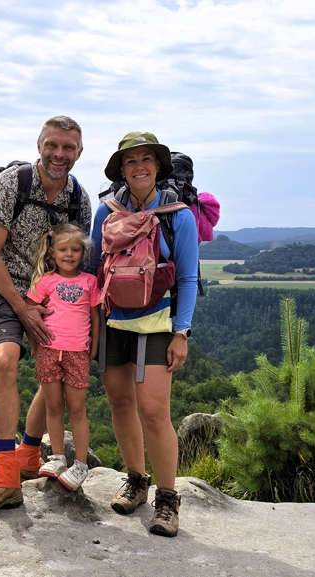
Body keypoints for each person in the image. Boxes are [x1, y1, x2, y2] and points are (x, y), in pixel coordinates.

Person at [0, 116, 93, 516]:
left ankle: (29, 453)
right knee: (5, 359)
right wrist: (24, 309)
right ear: (40, 145)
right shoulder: (12, 184)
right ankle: (3, 475)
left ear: (79, 152)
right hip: (6, 290)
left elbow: (74, 261)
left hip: (52, 293)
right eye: (52, 145)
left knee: (53, 369)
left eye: (68, 148)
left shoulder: (78, 199)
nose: (59, 154)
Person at [89, 131, 199, 537]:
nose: (139, 166)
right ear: (121, 168)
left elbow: (187, 279)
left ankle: (167, 499)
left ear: (157, 166)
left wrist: (181, 333)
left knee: (153, 411)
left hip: (156, 324)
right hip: (111, 321)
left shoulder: (178, 215)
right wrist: (89, 327)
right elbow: (92, 270)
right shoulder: (106, 212)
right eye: (130, 160)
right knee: (120, 403)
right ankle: (136, 481)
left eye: (146, 159)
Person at [25, 223, 100, 491]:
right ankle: (57, 458)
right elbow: (31, 312)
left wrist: (95, 346)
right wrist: (34, 346)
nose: (69, 255)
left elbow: (95, 316)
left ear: (83, 253)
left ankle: (80, 465)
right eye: (63, 249)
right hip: (48, 350)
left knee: (77, 409)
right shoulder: (45, 282)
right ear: (53, 252)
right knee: (53, 406)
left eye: (76, 249)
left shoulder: (89, 282)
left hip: (77, 351)